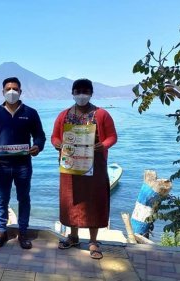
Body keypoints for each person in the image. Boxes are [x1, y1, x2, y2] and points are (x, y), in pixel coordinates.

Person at [51, 78, 117, 259]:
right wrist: (58, 145)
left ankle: (93, 241)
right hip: (70, 165)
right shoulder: (63, 115)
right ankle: (73, 236)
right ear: (72, 93)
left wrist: (102, 145)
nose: (81, 95)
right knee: (71, 200)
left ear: (91, 93)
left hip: (94, 165)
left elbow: (112, 137)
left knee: (94, 201)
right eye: (78, 91)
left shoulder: (101, 114)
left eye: (85, 91)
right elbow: (55, 137)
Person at [0, 77, 46, 249]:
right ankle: (1, 231)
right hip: (2, 164)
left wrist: (37, 147)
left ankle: (22, 232)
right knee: (2, 199)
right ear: (3, 91)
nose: (12, 92)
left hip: (23, 165)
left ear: (20, 91)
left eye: (15, 89)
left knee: (24, 199)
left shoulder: (30, 113)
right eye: (8, 89)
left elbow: (40, 135)